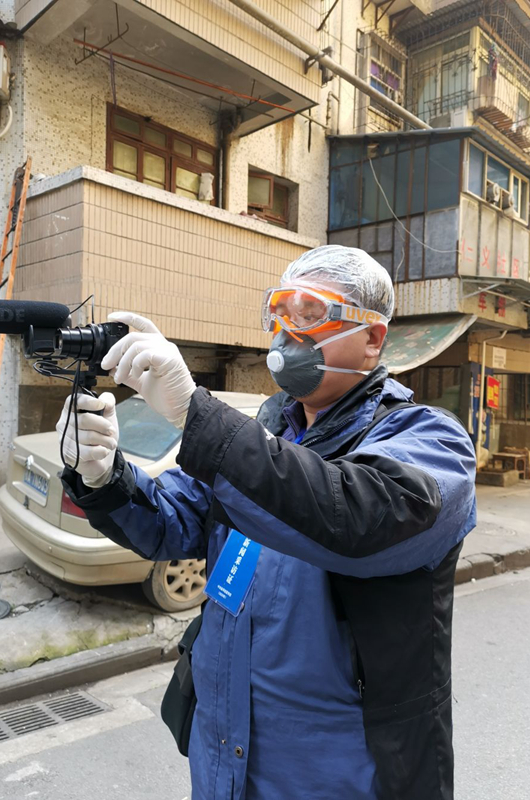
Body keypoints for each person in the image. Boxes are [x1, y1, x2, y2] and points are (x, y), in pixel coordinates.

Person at [57, 245, 477, 800]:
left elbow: (356, 521)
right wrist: (102, 474)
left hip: (339, 774)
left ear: (373, 339)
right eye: (278, 312)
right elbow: (175, 519)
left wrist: (196, 413)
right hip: (225, 756)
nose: (286, 331)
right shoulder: (271, 427)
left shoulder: (428, 439)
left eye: (310, 313)